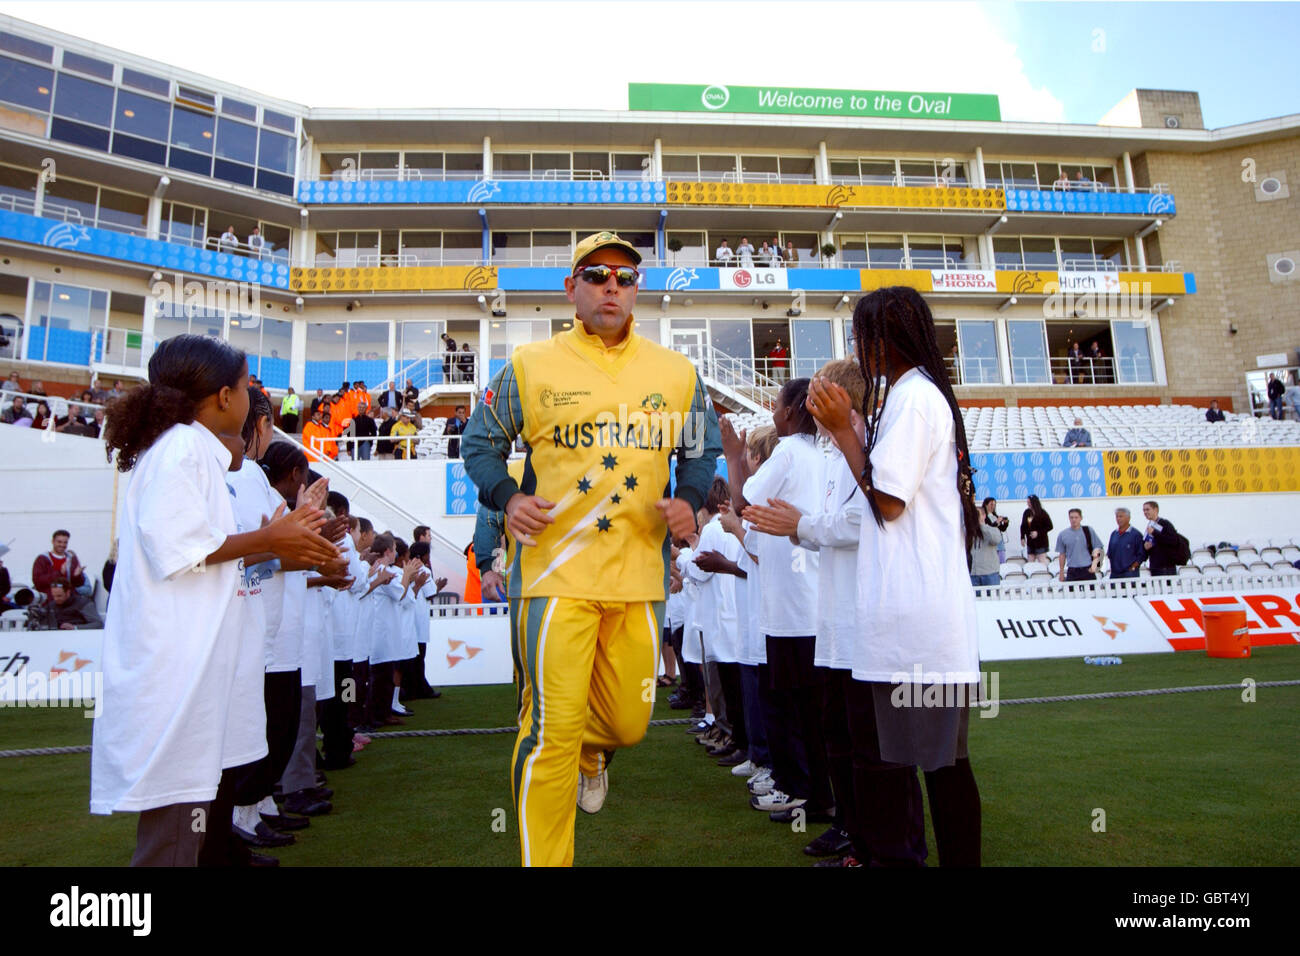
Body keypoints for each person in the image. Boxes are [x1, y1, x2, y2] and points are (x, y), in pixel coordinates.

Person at [461, 230, 722, 867]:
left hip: (639, 578)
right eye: (596, 273)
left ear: (637, 291)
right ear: (571, 287)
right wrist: (506, 496)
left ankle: (593, 750)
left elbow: (700, 449)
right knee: (548, 732)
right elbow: (480, 440)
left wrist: (689, 496)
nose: (612, 285)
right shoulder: (529, 365)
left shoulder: (677, 373)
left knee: (630, 725)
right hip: (552, 576)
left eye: (625, 277)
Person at [91, 334, 336, 867]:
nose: (253, 401)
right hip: (179, 675)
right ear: (224, 396)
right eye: (249, 386)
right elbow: (182, 552)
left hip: (193, 670)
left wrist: (278, 539)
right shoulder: (182, 447)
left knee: (190, 832)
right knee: (174, 843)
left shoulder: (192, 449)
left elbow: (205, 558)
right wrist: (272, 539)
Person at [805, 285, 982, 868]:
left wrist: (842, 431)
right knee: (936, 766)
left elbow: (886, 503)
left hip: (911, 626)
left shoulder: (912, 398)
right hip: (920, 622)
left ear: (885, 338)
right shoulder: (917, 396)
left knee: (890, 766)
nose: (858, 347)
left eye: (862, 333)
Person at [32, 530, 86, 600]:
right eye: (59, 542)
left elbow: (79, 584)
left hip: (70, 600)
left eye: (65, 542)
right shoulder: (42, 559)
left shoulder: (72, 558)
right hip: (50, 600)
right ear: (53, 542)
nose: (62, 545)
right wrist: (59, 573)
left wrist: (77, 576)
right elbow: (37, 581)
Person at [31, 577, 102, 630]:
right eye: (54, 596)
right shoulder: (51, 605)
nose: (56, 599)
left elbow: (98, 624)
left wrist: (75, 627)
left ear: (68, 592)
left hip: (77, 637)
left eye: (59, 596)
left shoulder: (83, 603)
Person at [1056, 508, 1103, 582]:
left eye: (1076, 517)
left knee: (1091, 592)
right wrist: (1061, 572)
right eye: (1071, 517)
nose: (1074, 520)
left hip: (1087, 569)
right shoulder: (1063, 534)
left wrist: (1095, 566)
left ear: (1081, 518)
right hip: (1072, 570)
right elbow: (1062, 554)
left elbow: (1098, 548)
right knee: (1071, 593)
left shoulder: (1088, 531)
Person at [1142, 500, 1182, 576]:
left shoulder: (1165, 523)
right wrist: (1145, 547)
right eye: (1144, 510)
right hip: (1155, 566)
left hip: (1166, 567)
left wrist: (1154, 533)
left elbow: (1173, 541)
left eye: (1147, 509)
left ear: (1156, 510)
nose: (1145, 512)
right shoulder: (1149, 525)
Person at [1106, 507, 1145, 579]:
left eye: (1121, 516)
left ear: (1128, 518)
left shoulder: (1136, 534)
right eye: (1117, 516)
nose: (1118, 519)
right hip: (1115, 574)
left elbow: (1141, 555)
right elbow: (1110, 554)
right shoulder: (1114, 534)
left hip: (1130, 574)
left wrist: (1133, 567)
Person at [969, 504, 1002, 588]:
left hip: (990, 574)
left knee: (993, 600)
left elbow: (996, 540)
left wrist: (981, 525)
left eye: (977, 514)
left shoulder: (992, 529)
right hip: (973, 574)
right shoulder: (969, 532)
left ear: (984, 515)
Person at [1020, 495, 1053, 562]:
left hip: (1041, 542)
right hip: (1030, 542)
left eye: (1029, 502)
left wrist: (1038, 532)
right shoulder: (1027, 512)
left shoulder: (1042, 513)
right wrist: (1022, 537)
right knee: (1030, 562)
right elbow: (1023, 526)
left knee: (1042, 562)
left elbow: (1050, 526)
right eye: (1027, 502)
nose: (1028, 504)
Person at [981, 497, 1009, 564]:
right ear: (986, 505)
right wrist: (996, 522)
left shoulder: (995, 516)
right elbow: (988, 527)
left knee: (1002, 561)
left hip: (999, 541)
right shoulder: (984, 517)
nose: (993, 507)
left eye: (994, 505)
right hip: (991, 541)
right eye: (991, 504)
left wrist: (1005, 523)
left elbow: (1002, 529)